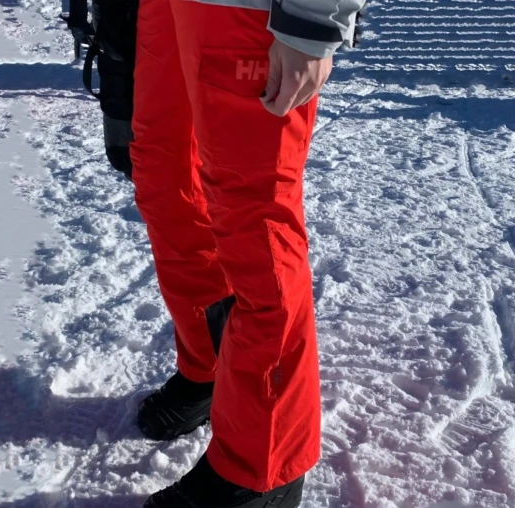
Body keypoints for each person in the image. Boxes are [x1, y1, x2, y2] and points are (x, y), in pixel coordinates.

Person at [129, 0, 364, 506]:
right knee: (166, 179)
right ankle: (211, 368)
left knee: (257, 225)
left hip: (250, 10)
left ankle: (262, 468)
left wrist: (312, 22)